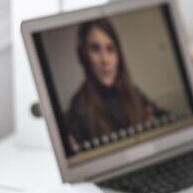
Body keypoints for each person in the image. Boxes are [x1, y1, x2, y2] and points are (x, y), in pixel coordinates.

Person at [63, 19, 167, 152]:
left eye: (110, 49)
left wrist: (155, 127)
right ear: (84, 54)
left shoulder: (133, 92)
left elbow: (164, 116)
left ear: (118, 56)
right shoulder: (78, 108)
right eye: (95, 49)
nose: (105, 59)